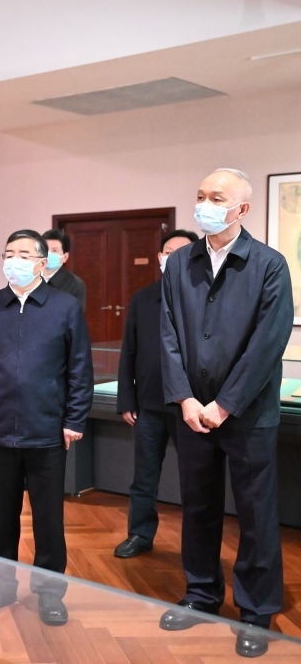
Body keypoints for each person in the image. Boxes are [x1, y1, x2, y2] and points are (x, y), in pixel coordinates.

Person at [159, 168, 293, 658]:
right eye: (200, 196)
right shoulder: (180, 263)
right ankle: (200, 593)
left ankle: (256, 610)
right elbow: (168, 333)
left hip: (248, 414)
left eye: (217, 198)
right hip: (192, 411)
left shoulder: (269, 264)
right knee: (197, 506)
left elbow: (268, 342)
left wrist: (225, 404)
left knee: (256, 514)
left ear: (242, 209)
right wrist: (185, 399)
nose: (205, 205)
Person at [0, 229, 93, 627]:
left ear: (42, 262)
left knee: (48, 518)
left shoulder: (64, 307)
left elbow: (79, 368)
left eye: (23, 254)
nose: (14, 261)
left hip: (47, 431)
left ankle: (50, 591)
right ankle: (0, 584)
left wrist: (74, 419)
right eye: (9, 253)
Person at [113, 229, 199, 559]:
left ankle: (196, 544)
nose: (173, 258)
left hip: (189, 405)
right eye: (168, 252)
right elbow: (129, 352)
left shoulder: (204, 297)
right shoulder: (143, 298)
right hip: (148, 403)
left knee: (195, 477)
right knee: (144, 475)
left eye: (182, 252)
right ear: (160, 257)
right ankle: (140, 533)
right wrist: (126, 399)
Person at [41, 229, 87, 310]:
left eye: (54, 250)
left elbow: (76, 315)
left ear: (65, 257)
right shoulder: (30, 278)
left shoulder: (75, 284)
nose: (48, 254)